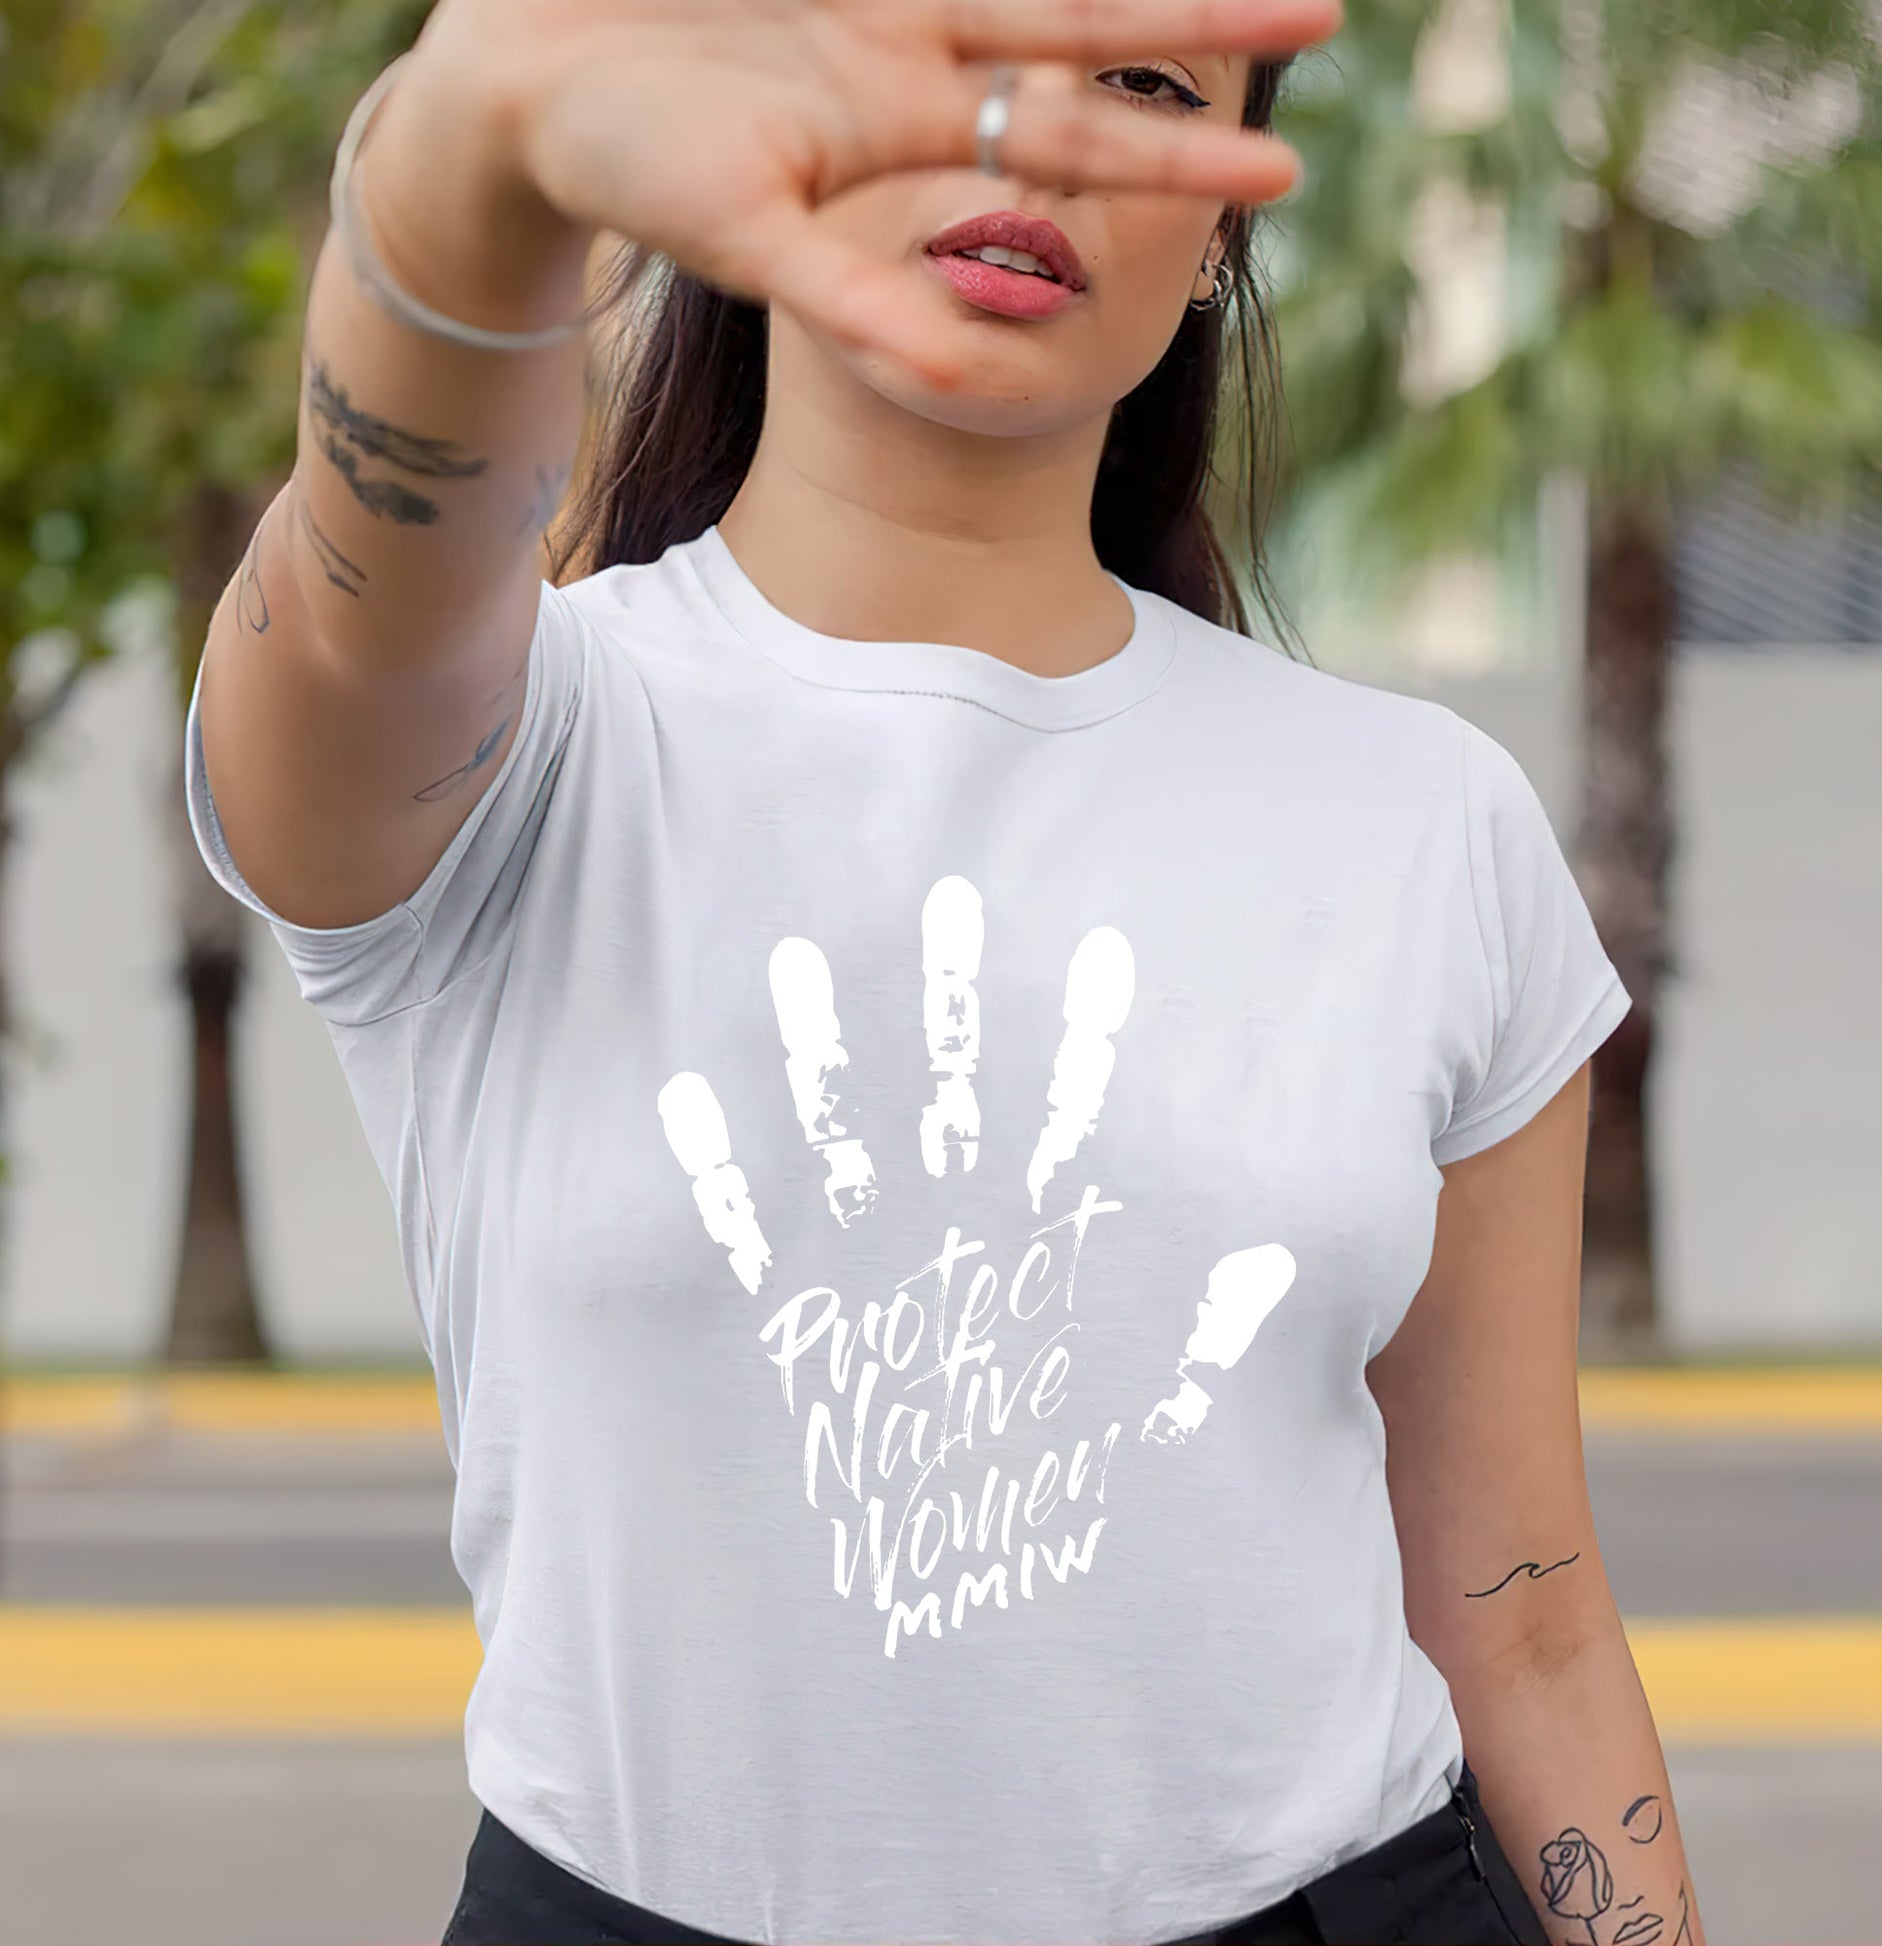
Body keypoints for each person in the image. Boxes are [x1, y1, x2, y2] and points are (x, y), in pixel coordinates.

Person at [184, 1, 1709, 1942]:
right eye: (961, 53)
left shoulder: (1421, 820)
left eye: (1148, 86)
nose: (1046, 137)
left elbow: (1531, 1612)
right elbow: (359, 590)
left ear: (1226, 222)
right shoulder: (512, 754)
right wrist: (463, 150)